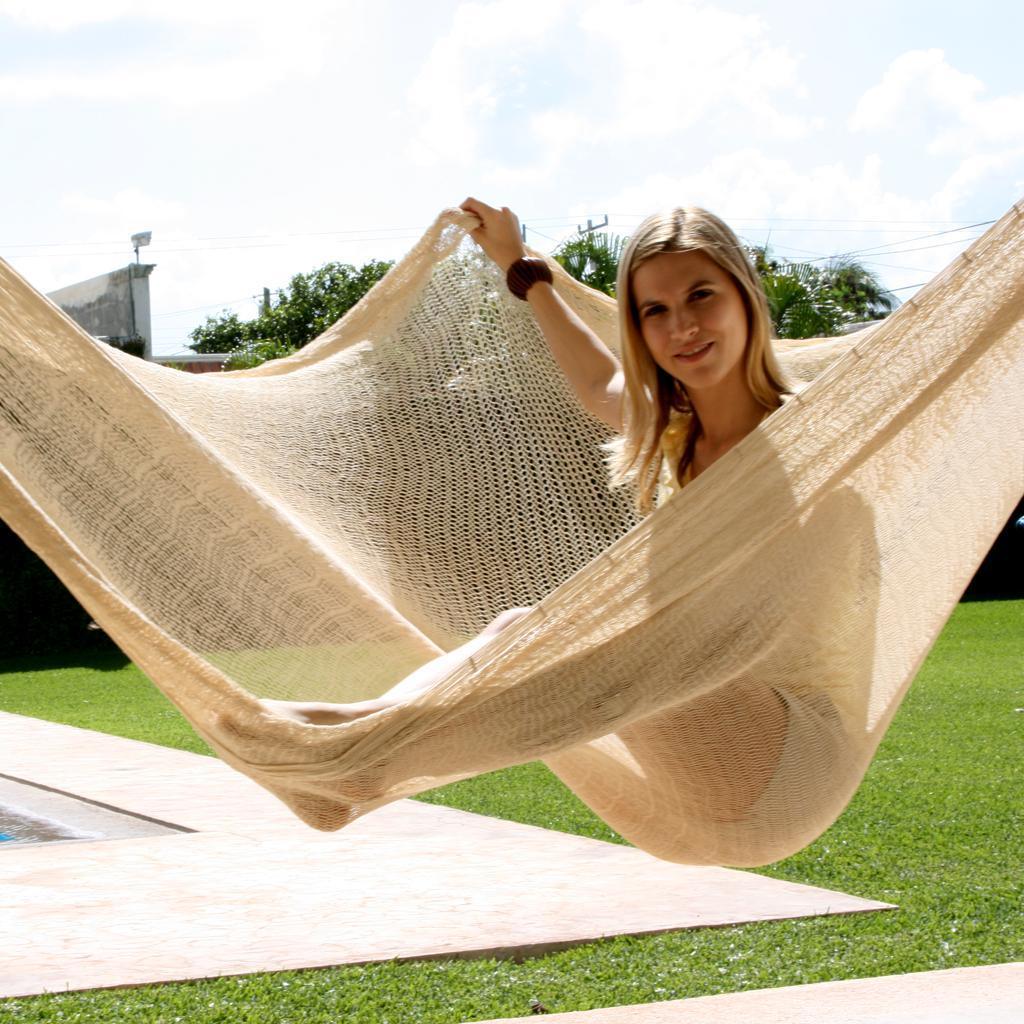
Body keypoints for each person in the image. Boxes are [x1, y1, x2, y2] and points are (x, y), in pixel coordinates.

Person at [264, 198, 791, 726]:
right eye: (655, 310)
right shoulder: (672, 431)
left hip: (772, 725)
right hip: (673, 692)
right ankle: (367, 734)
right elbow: (595, 381)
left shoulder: (813, 431)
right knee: (518, 626)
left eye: (701, 295)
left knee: (596, 646)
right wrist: (518, 265)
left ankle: (362, 737)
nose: (682, 328)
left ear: (744, 296)